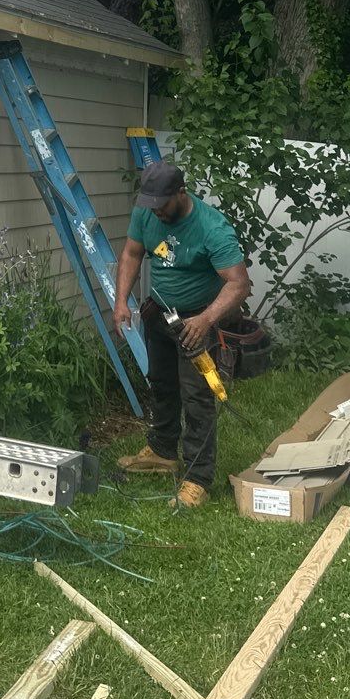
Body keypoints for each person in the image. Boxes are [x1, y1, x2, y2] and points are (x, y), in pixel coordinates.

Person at [111, 159, 250, 506]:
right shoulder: (147, 212)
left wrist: (205, 320)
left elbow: (238, 284)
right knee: (161, 383)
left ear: (181, 193)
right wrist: (121, 301)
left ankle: (198, 478)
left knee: (197, 397)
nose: (155, 212)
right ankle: (162, 450)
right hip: (159, 313)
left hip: (197, 321)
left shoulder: (211, 227)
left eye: (162, 204)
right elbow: (132, 253)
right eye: (150, 205)